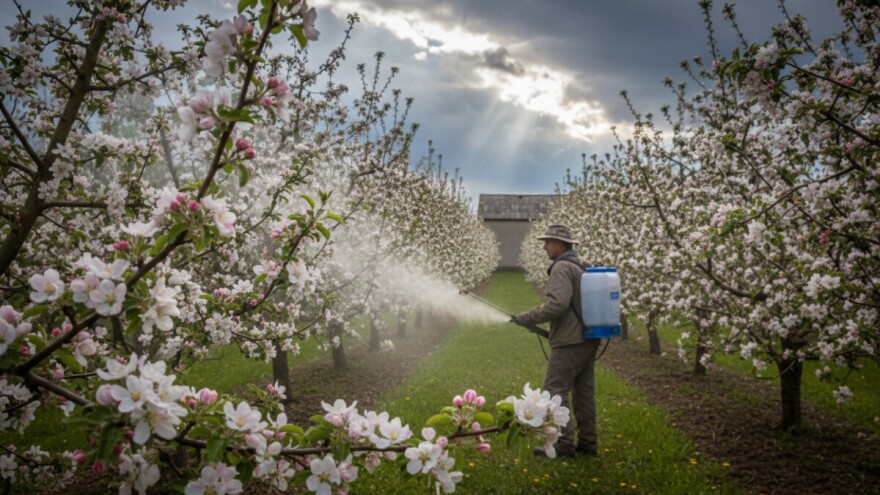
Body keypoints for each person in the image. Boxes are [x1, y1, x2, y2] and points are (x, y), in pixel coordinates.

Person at [511, 224, 600, 458]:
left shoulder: (561, 267)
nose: (544, 247)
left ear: (560, 245)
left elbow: (557, 304)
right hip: (588, 338)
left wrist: (527, 317)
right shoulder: (578, 266)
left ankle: (563, 444)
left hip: (570, 340)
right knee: (583, 392)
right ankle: (588, 443)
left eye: (548, 242)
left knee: (554, 390)